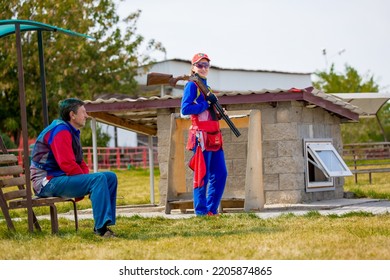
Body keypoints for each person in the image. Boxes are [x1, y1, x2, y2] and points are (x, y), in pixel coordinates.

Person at [30, 98, 117, 237]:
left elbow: (79, 161)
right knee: (98, 179)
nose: (87, 116)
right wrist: (87, 182)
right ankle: (101, 230)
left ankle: (104, 224)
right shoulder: (60, 131)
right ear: (72, 115)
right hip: (46, 182)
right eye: (84, 112)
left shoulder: (71, 131)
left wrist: (85, 179)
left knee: (110, 177)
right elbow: (67, 164)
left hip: (58, 178)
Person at [181, 53, 228, 216]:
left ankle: (211, 210)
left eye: (206, 65)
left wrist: (217, 111)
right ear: (193, 67)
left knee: (221, 174)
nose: (203, 68)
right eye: (200, 65)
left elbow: (208, 109)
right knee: (203, 175)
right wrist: (205, 103)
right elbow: (185, 109)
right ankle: (201, 212)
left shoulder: (206, 87)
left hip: (214, 136)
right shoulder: (192, 85)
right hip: (201, 136)